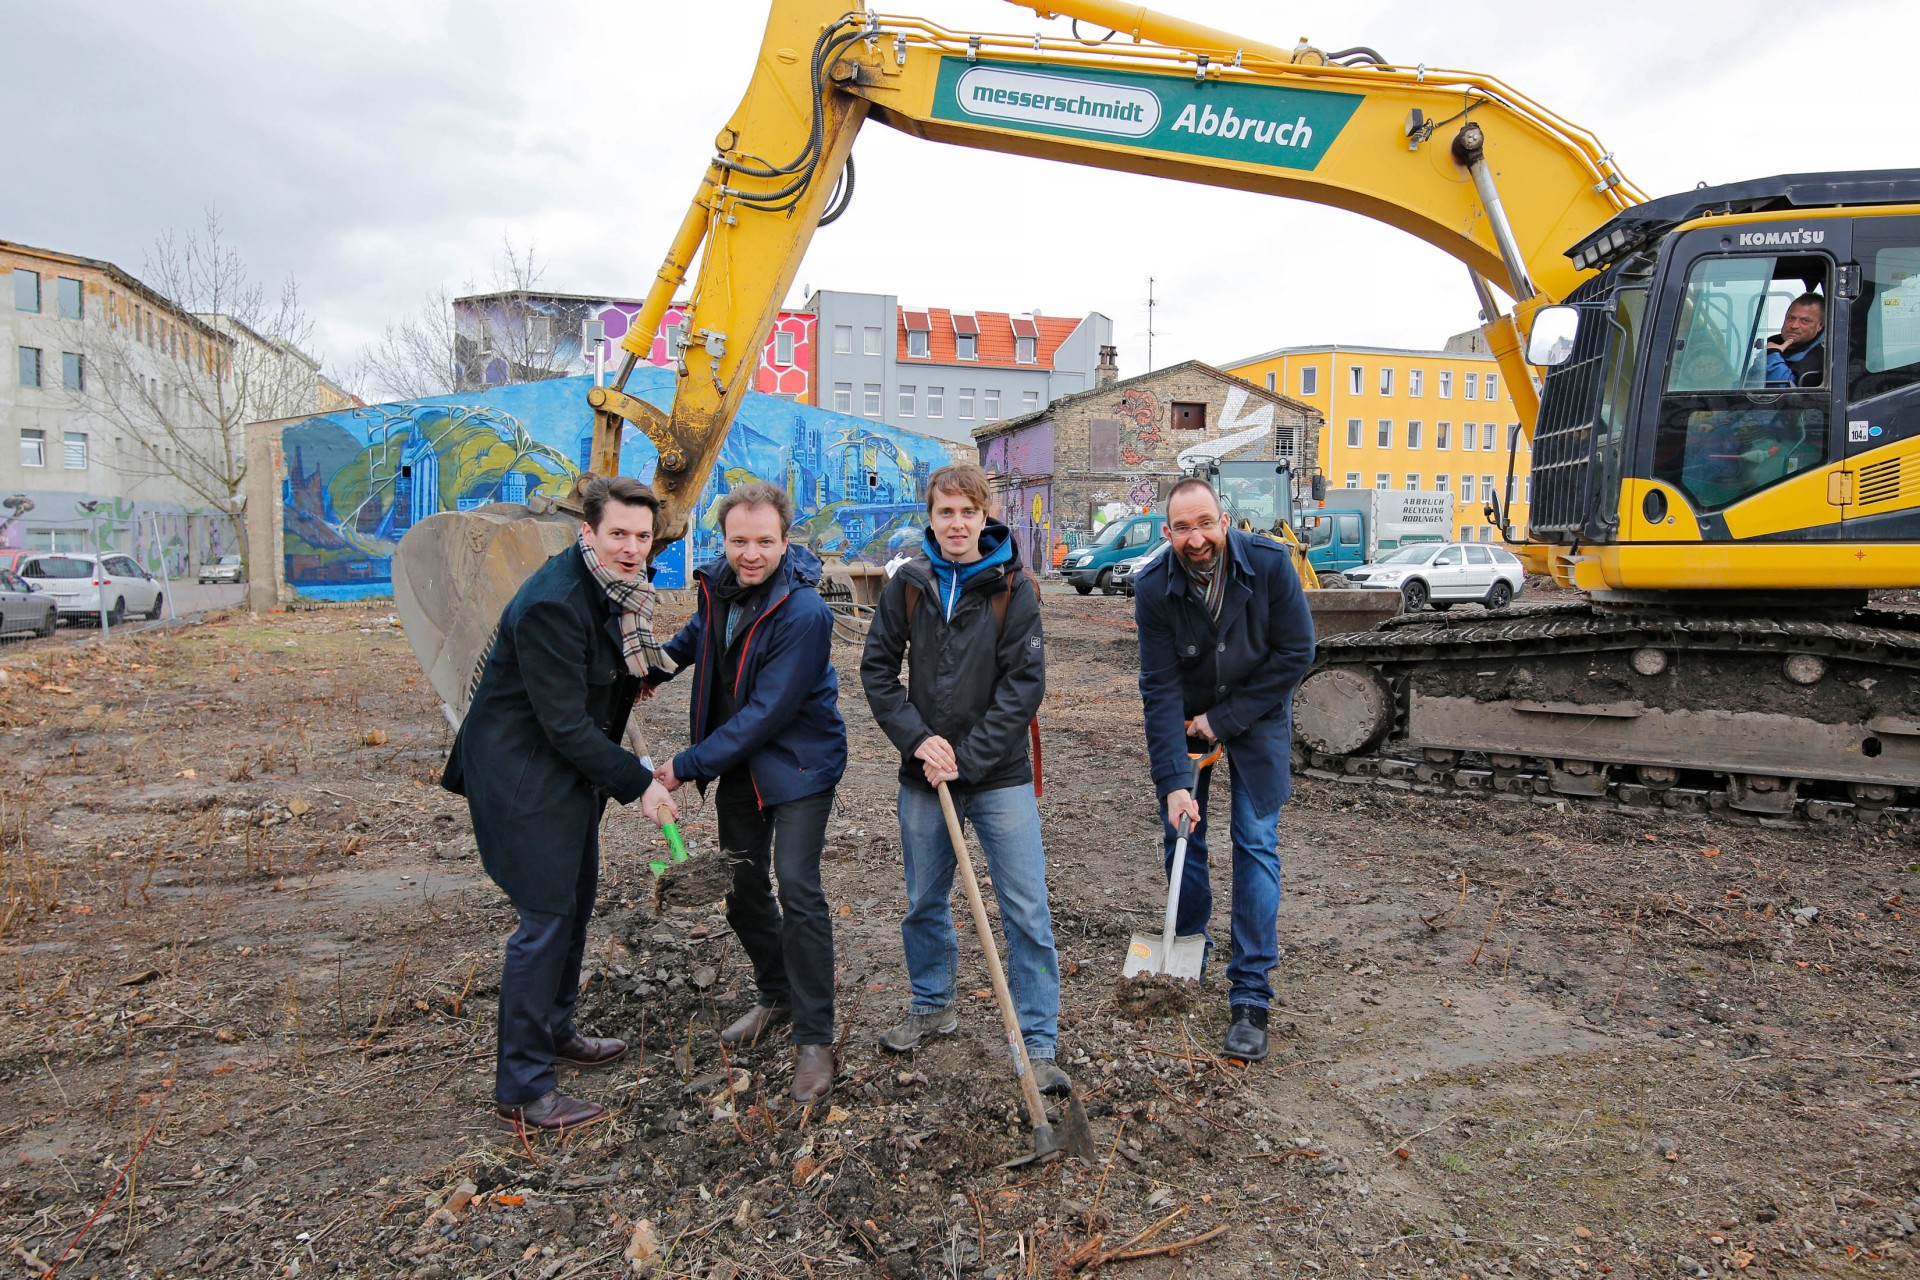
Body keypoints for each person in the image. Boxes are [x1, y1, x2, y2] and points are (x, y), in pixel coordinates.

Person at [443, 475, 679, 1133]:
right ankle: (522, 1086)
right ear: (589, 534)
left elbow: (612, 666)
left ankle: (555, 1030)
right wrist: (641, 784)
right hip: (524, 781)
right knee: (544, 924)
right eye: (619, 535)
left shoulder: (610, 590)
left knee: (573, 905)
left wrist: (657, 667)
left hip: (564, 779)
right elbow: (565, 726)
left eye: (642, 536)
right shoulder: (555, 602)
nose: (632, 548)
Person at [859, 464, 1068, 1094]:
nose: (956, 523)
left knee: (1026, 909)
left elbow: (1023, 687)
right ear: (931, 515)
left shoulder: (1013, 586)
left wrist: (967, 758)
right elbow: (876, 671)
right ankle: (932, 1006)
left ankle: (1036, 1040)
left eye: (967, 512)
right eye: (945, 511)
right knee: (924, 900)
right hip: (924, 774)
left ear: (984, 517)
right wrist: (921, 742)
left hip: (998, 776)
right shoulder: (908, 586)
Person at [650, 481, 846, 1104]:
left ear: (785, 542)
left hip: (798, 765)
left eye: (765, 541)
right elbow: (690, 644)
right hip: (739, 765)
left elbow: (765, 713)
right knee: (740, 887)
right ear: (724, 541)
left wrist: (684, 764)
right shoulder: (716, 588)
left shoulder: (806, 613)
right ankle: (778, 993)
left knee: (797, 885)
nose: (751, 553)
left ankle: (815, 1039)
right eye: (740, 541)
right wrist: (643, 672)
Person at [1133, 478, 1315, 1062]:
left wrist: (1225, 718)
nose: (1196, 538)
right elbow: (1158, 686)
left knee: (1255, 841)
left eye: (1205, 523)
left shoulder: (1270, 564)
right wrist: (1171, 785)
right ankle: (1184, 955)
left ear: (1225, 521)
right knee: (1181, 833)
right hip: (1186, 717)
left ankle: (1251, 995)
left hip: (1256, 709)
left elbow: (1296, 653)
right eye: (1182, 528)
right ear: (1168, 532)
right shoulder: (1152, 586)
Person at [1765, 293, 1825, 388]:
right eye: (1791, 318)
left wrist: (1772, 356)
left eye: (1805, 321)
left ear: (1820, 326)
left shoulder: (1824, 356)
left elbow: (1786, 390)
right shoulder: (1773, 343)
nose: (1794, 325)